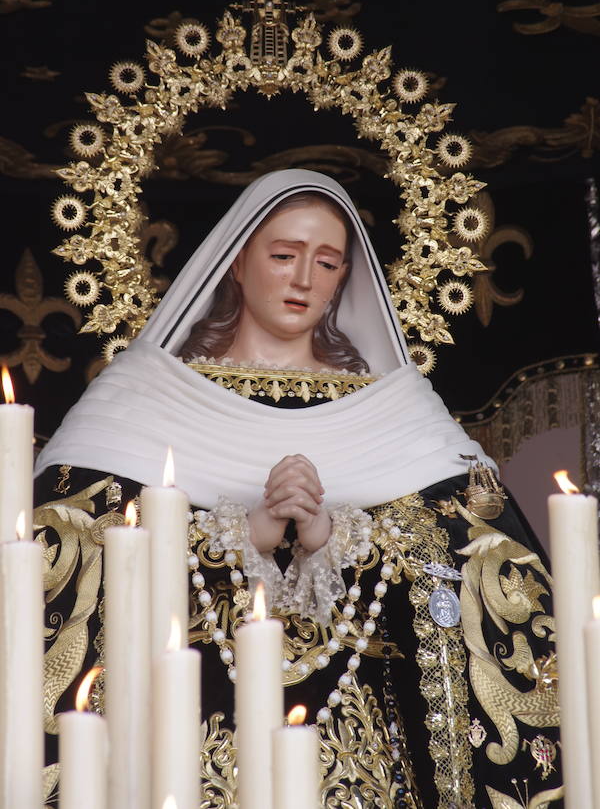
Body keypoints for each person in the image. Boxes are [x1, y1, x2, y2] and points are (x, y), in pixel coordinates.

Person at [35, 169, 562, 808]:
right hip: (180, 746)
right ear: (236, 262)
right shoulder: (142, 399)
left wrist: (336, 537)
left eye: (328, 261)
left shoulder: (395, 412)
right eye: (283, 255)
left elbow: (485, 562)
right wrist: (236, 535)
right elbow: (64, 551)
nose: (304, 280)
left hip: (362, 751)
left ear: (346, 276)